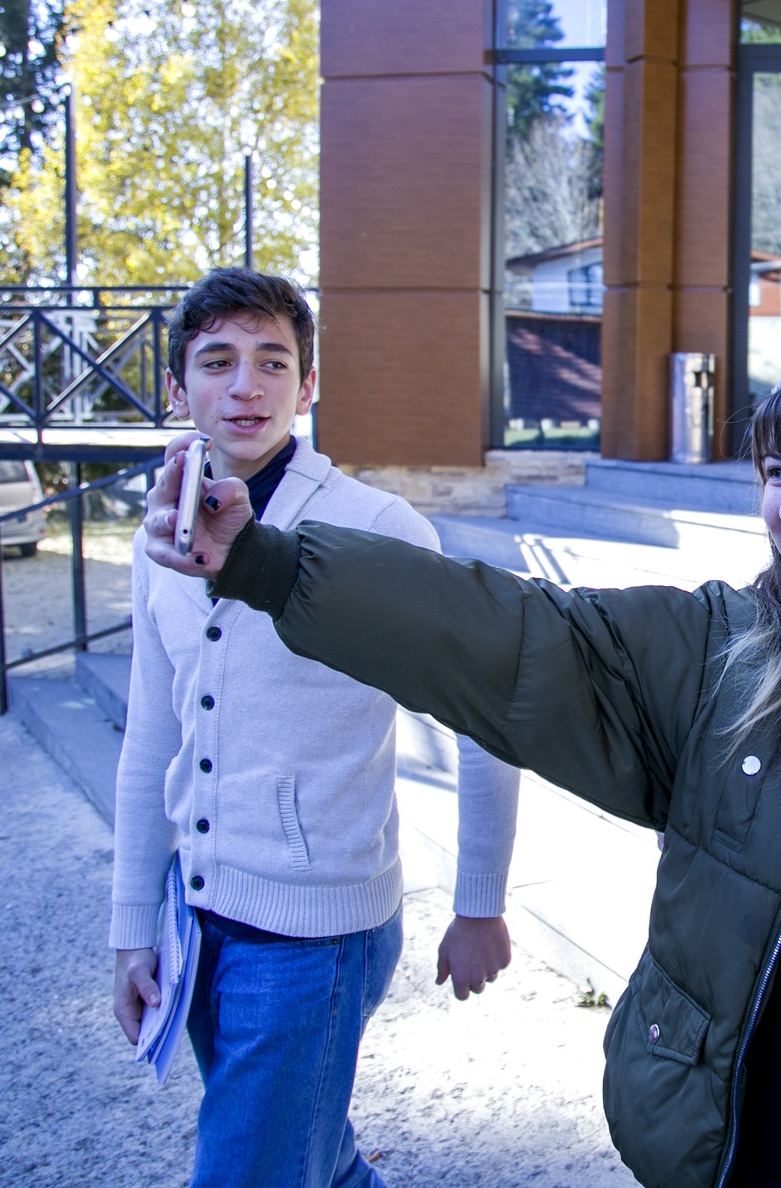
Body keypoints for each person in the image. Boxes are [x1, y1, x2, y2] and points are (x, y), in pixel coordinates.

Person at [142, 368, 781, 1188]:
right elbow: (513, 637)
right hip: (746, 1131)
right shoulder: (720, 651)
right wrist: (267, 565)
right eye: (775, 471)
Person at [109, 268, 522, 1188]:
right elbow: (151, 738)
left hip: (314, 937)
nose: (246, 386)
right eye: (218, 361)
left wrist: (479, 899)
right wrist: (133, 925)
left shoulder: (377, 526)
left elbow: (485, 706)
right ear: (176, 387)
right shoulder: (159, 535)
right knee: (315, 1159)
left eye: (273, 361)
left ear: (308, 387)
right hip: (196, 916)